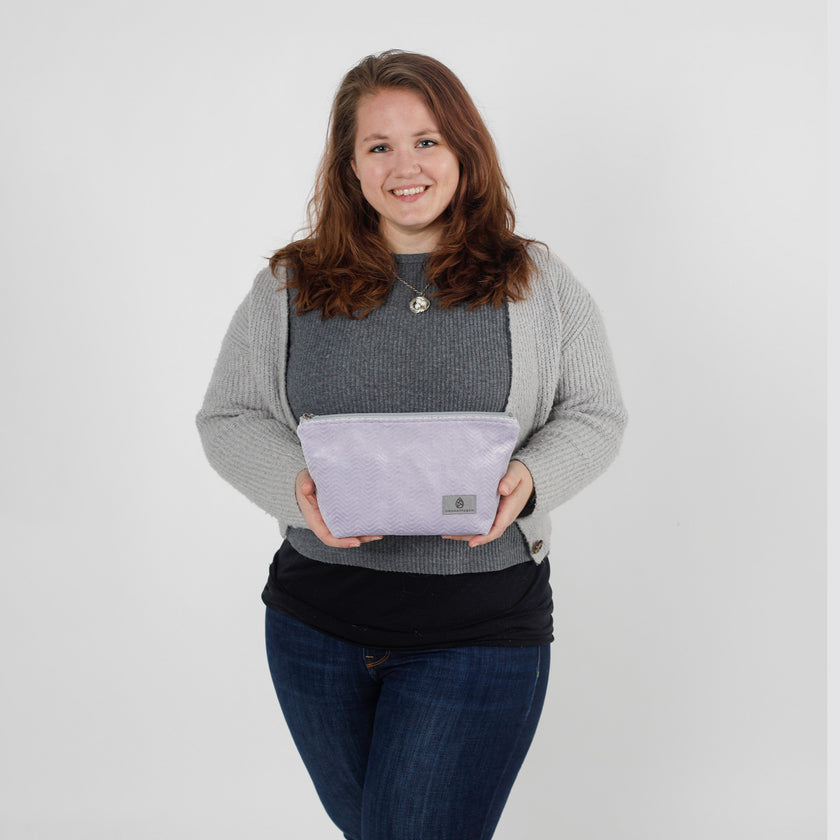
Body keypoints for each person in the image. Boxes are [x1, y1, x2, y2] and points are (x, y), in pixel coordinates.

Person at [196, 50, 627, 840]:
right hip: (314, 631)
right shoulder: (290, 286)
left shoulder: (534, 281)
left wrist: (532, 476)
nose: (406, 167)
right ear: (349, 166)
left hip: (479, 632)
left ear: (464, 151)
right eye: (379, 146)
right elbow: (229, 417)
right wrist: (294, 484)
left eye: (427, 141)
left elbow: (595, 413)